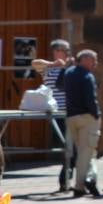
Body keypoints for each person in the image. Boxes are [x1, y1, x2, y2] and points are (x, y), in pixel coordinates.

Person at [31, 40, 74, 192]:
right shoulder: (48, 69)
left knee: (71, 146)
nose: (66, 53)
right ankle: (65, 178)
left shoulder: (71, 68)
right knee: (65, 146)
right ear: (55, 51)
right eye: (62, 50)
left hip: (70, 111)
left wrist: (67, 65)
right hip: (56, 112)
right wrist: (54, 63)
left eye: (67, 50)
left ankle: (66, 177)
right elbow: (34, 63)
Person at [59, 49, 101, 198]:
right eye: (93, 59)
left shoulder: (69, 73)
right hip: (86, 117)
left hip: (71, 117)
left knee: (82, 152)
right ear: (84, 59)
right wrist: (96, 115)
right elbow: (91, 99)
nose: (95, 63)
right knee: (86, 152)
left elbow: (59, 84)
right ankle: (80, 185)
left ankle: (89, 179)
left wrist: (66, 67)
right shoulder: (87, 76)